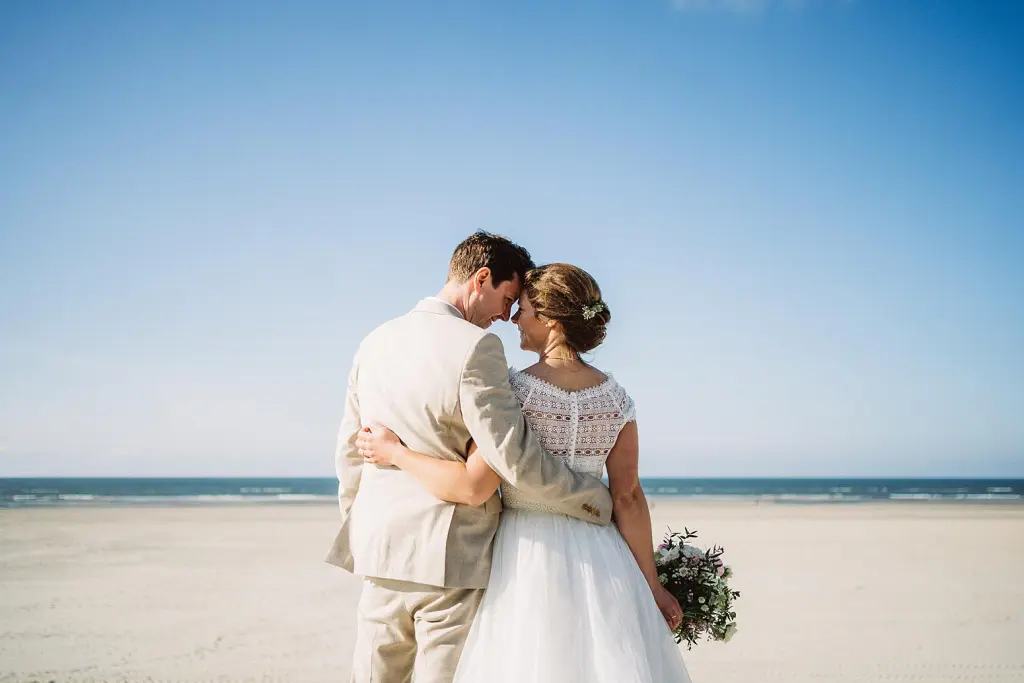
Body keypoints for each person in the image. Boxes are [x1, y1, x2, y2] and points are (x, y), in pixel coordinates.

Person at [357, 263, 693, 682]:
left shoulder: (515, 392)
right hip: (602, 557)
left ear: (551, 320)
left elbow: (474, 481)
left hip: (524, 553)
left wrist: (393, 452)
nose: (515, 318)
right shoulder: (617, 399)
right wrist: (652, 586)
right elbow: (628, 497)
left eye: (525, 309)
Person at [325, 233, 613, 683]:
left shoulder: (375, 340)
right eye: (507, 298)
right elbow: (513, 456)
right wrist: (591, 494)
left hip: (378, 549)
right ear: (482, 278)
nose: (506, 315)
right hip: (448, 557)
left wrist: (363, 522)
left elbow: (349, 449)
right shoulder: (476, 347)